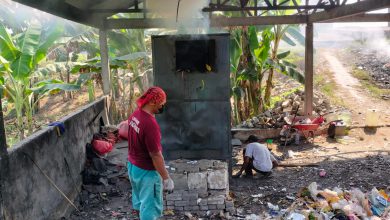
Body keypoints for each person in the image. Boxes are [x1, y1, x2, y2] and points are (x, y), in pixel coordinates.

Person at [127, 86, 174, 220]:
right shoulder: (150, 124)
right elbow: (155, 155)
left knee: (140, 201)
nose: (163, 106)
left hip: (133, 166)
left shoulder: (136, 114)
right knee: (150, 208)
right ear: (153, 102)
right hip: (146, 173)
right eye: (162, 103)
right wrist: (166, 178)